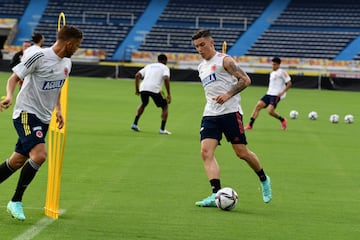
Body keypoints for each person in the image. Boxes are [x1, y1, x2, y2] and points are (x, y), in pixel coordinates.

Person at [0, 25, 83, 221]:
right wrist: (9, 96)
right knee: (40, 155)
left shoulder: (67, 64)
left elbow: (57, 86)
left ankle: (14, 200)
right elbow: (14, 78)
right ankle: (15, 201)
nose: (78, 48)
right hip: (26, 113)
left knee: (17, 161)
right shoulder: (39, 57)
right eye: (78, 45)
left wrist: (59, 110)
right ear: (69, 43)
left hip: (44, 118)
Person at [191, 29, 272, 207]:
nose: (199, 49)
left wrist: (228, 94)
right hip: (211, 113)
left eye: (202, 45)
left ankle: (264, 179)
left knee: (241, 153)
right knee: (206, 152)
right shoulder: (201, 66)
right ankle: (214, 194)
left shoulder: (226, 60)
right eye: (196, 46)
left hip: (230, 112)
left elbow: (245, 80)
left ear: (211, 43)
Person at [245, 57, 292, 130]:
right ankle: (250, 125)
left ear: (279, 65)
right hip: (268, 94)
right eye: (272, 64)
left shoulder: (282, 72)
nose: (273, 66)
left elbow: (289, 83)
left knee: (270, 111)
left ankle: (282, 120)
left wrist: (283, 92)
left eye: (274, 64)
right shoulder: (272, 73)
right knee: (258, 106)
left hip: (276, 95)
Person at [131, 54, 172, 134]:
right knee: (164, 106)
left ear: (158, 60)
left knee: (144, 103)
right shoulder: (165, 67)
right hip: (155, 88)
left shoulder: (149, 66)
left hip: (143, 87)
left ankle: (134, 124)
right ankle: (162, 129)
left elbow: (137, 75)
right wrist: (168, 94)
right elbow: (166, 78)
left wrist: (137, 89)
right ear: (165, 61)